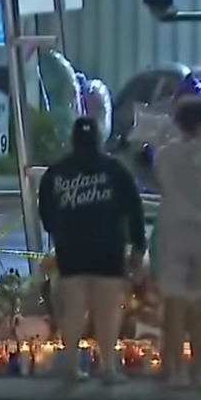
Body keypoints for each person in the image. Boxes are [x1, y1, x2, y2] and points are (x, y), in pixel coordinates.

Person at [38, 118, 146, 385]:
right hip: (109, 248)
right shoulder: (115, 170)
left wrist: (59, 232)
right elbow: (135, 210)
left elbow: (46, 212)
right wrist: (138, 247)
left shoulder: (57, 172)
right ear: (100, 139)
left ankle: (71, 366)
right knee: (107, 311)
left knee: (74, 309)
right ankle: (108, 367)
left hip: (71, 250)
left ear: (72, 140)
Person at [155, 97, 201, 390]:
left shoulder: (165, 154)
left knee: (174, 301)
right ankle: (200, 371)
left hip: (172, 231)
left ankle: (173, 370)